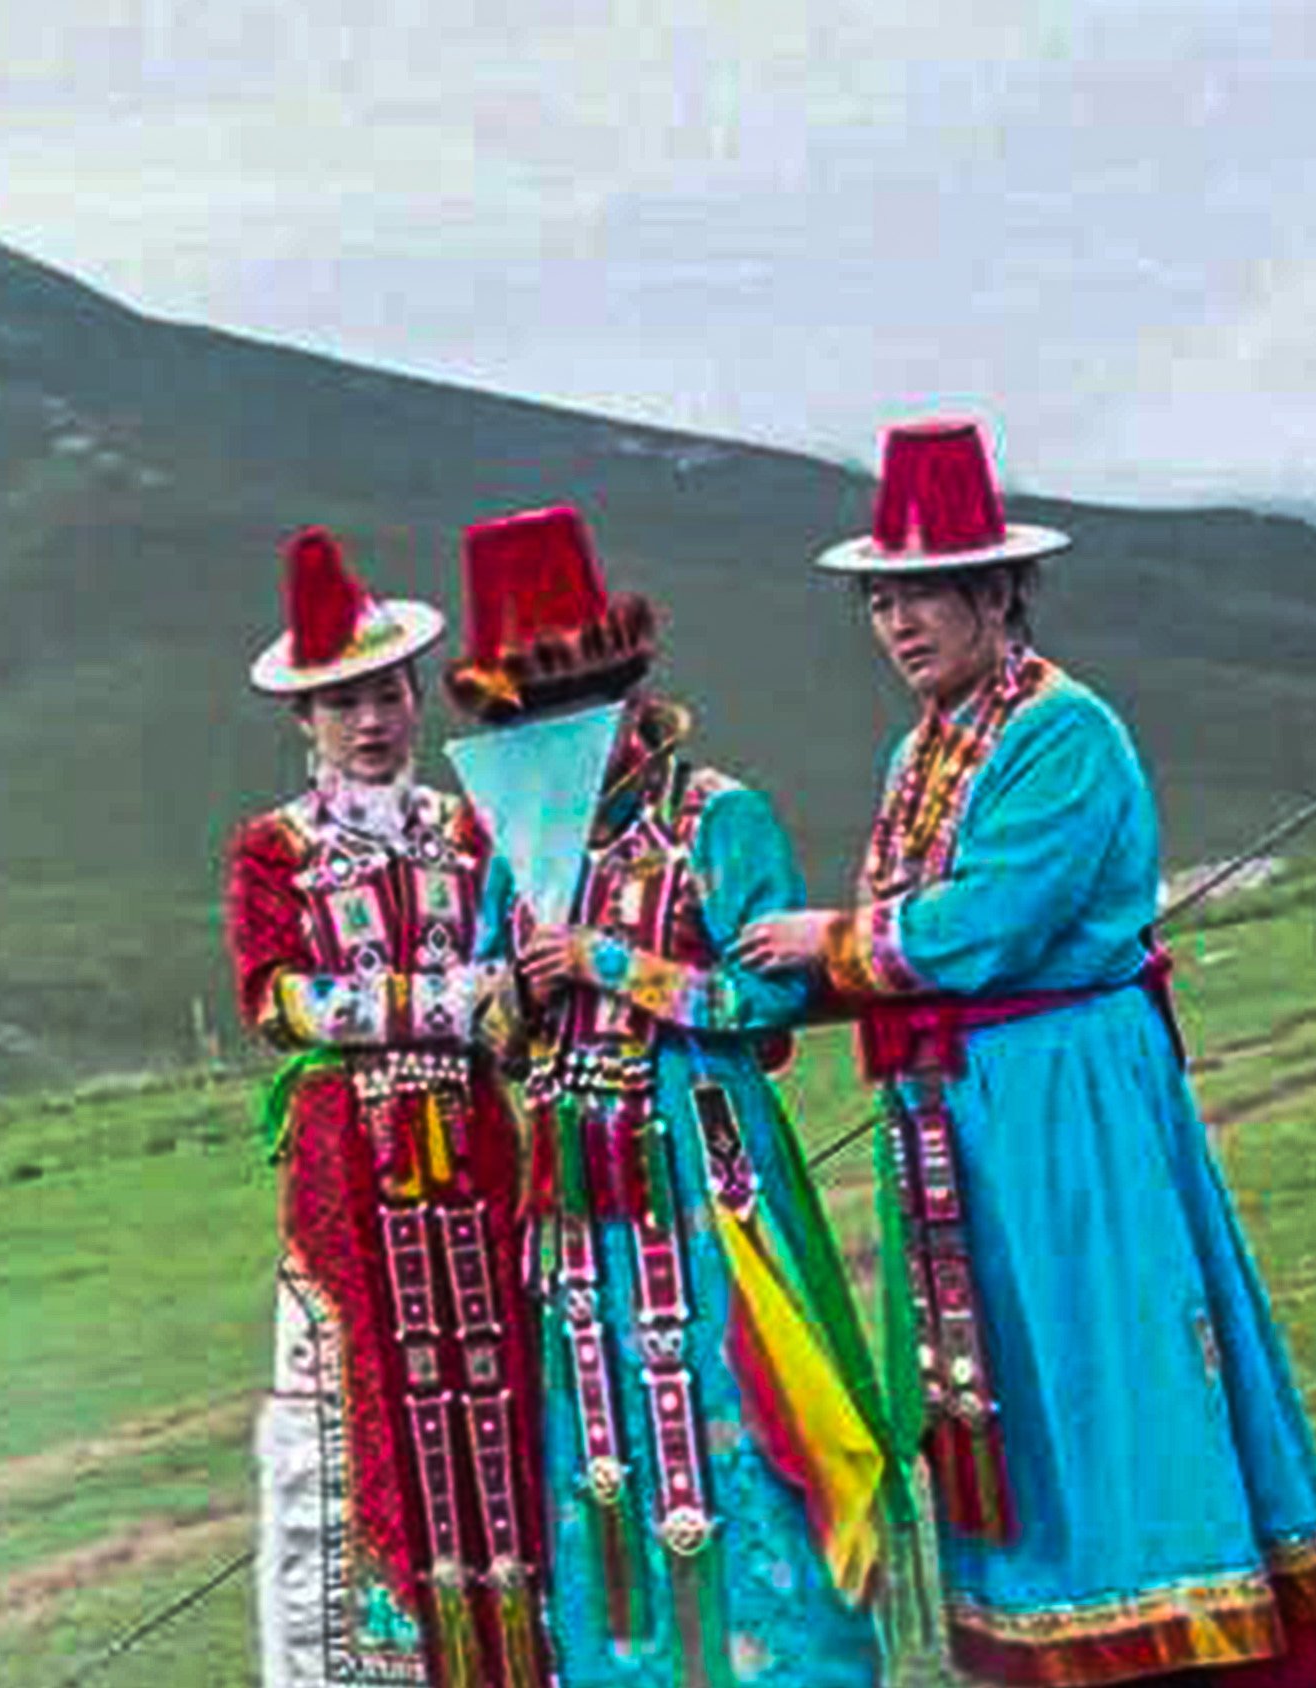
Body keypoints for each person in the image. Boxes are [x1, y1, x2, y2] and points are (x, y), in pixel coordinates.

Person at [736, 418, 1316, 1688]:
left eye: (926, 597)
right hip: (966, 1109)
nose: (902, 626)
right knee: (1003, 1374)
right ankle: (1050, 1631)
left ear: (998, 590)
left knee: (1102, 1349)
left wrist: (824, 940)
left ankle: (1162, 1620)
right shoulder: (923, 748)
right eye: (882, 603)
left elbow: (983, 927)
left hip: (1068, 1097)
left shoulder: (1064, 733)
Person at [448, 506, 891, 1688]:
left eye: (570, 707)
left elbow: (772, 1001)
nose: (549, 736)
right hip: (572, 1197)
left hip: (706, 1181)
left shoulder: (717, 815)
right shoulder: (517, 847)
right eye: (523, 720)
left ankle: (794, 1668)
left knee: (735, 1414)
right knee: (602, 1442)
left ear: (625, 686)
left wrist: (610, 964)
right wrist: (517, 997)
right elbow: (492, 1023)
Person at [224, 527, 550, 1688]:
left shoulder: (475, 831)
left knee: (505, 1376)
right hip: (348, 1170)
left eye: (388, 693)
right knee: (361, 1398)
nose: (371, 720)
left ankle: (526, 1649)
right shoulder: (272, 851)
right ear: (305, 720)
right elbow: (277, 997)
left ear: (416, 700)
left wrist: (486, 1006)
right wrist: (448, 1000)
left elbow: (518, 993)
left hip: (476, 1152)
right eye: (342, 700)